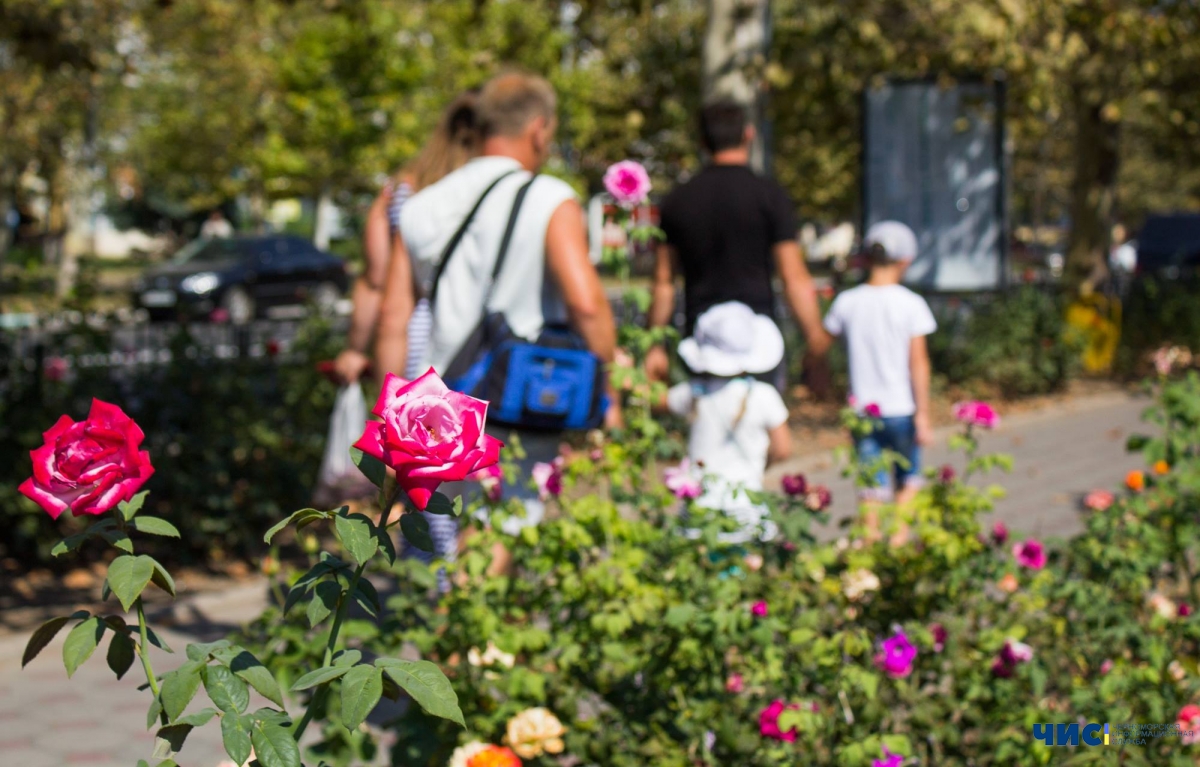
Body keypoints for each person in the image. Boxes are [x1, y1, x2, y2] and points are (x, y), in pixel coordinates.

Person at [377, 71, 617, 559]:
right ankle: (465, 633)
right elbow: (587, 303)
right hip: (519, 397)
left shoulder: (422, 206)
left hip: (441, 402)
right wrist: (608, 384)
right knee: (498, 534)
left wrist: (390, 417)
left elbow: (393, 314)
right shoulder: (549, 198)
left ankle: (445, 625)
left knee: (441, 540)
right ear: (539, 129)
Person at [646, 99, 828, 391]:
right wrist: (816, 343)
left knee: (708, 427)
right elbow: (794, 278)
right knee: (762, 423)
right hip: (759, 341)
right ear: (749, 134)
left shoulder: (678, 200)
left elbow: (664, 282)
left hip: (702, 341)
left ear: (703, 142)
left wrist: (654, 345)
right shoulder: (769, 196)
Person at [333, 91, 481, 386]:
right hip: (484, 356)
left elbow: (376, 281)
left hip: (416, 356)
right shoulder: (502, 193)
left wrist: (354, 349)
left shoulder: (402, 191)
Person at [821, 221, 936, 512]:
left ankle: (870, 545)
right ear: (905, 261)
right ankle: (897, 542)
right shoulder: (911, 304)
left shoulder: (847, 302)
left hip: (862, 411)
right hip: (901, 409)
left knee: (871, 486)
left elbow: (820, 347)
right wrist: (923, 414)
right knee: (910, 479)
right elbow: (918, 363)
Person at [665, 301, 792, 543]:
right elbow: (783, 448)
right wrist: (760, 466)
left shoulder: (693, 392)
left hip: (699, 506)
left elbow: (655, 399)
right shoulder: (764, 395)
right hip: (747, 506)